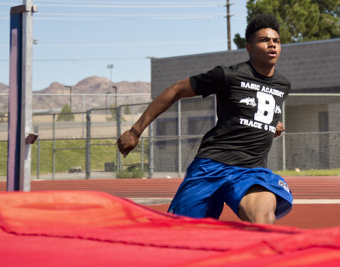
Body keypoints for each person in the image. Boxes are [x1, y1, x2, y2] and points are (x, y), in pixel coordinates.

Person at [118, 13, 293, 224]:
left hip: (250, 173)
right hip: (211, 167)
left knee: (262, 219)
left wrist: (271, 126)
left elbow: (255, 114)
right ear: (249, 47)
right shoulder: (228, 76)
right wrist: (135, 131)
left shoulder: (283, 85)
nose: (272, 44)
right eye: (264, 40)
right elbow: (175, 90)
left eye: (276, 41)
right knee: (180, 232)